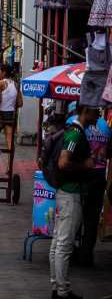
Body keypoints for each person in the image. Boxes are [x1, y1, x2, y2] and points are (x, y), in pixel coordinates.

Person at [49, 106, 98, 299]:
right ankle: (62, 291)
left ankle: (57, 287)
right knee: (64, 245)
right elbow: (63, 162)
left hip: (65, 193)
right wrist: (85, 165)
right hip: (71, 195)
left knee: (57, 242)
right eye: (96, 110)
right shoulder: (75, 134)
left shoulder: (72, 131)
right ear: (85, 111)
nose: (100, 114)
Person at [73, 108, 111, 267]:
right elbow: (109, 152)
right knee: (92, 218)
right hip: (99, 174)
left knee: (76, 214)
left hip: (82, 174)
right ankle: (86, 255)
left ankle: (73, 252)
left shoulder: (77, 123)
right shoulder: (105, 126)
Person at [0, 63, 23, 174]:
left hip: (0, 113)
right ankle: (9, 167)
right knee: (10, 142)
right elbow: (20, 103)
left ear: (4, 72)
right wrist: (11, 104)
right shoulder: (16, 84)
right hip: (10, 114)